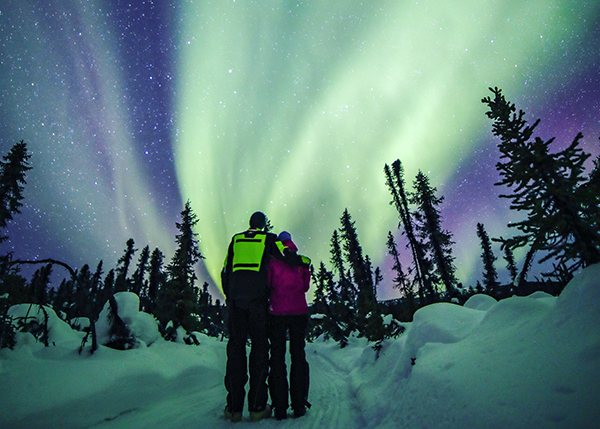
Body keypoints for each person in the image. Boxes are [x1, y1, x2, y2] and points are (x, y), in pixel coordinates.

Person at [221, 211, 286, 422]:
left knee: (236, 349)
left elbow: (225, 271)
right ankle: (257, 406)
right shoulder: (269, 239)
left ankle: (233, 408)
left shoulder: (236, 240)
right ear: (264, 225)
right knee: (259, 349)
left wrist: (230, 296)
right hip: (258, 302)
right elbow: (285, 257)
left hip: (236, 302)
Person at [267, 231, 312, 420]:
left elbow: (269, 283)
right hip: (298, 313)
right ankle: (299, 404)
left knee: (277, 359)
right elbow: (305, 286)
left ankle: (280, 406)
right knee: (298, 357)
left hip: (277, 314)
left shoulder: (272, 260)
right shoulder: (300, 261)